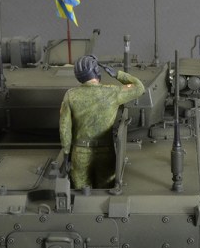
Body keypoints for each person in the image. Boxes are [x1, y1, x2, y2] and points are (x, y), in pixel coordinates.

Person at [59, 55, 145, 189]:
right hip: (106, 151)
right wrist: (117, 74)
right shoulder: (112, 92)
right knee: (105, 191)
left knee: (80, 194)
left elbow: (64, 128)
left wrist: (66, 153)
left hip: (79, 152)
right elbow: (139, 88)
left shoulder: (70, 95)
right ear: (96, 71)